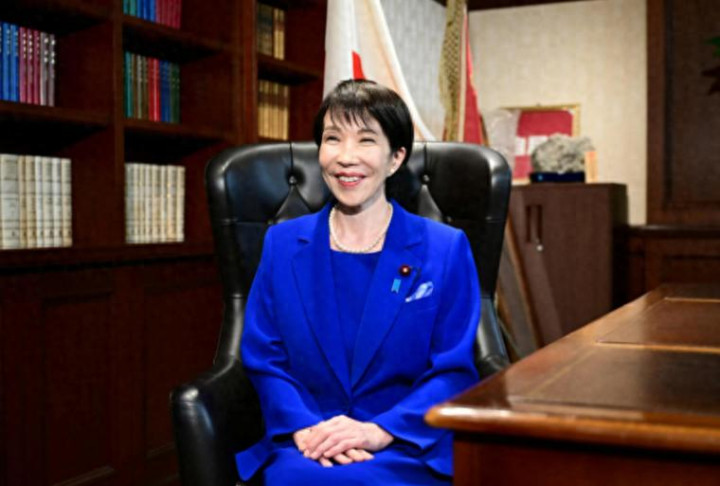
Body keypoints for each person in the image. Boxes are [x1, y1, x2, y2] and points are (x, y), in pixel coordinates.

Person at [235, 79, 481, 485]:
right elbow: (264, 356)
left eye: (366, 140)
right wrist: (305, 428)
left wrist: (379, 431)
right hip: (310, 443)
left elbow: (452, 369)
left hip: (406, 442)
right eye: (333, 139)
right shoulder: (282, 244)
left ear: (396, 158)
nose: (346, 157)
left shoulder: (445, 248)